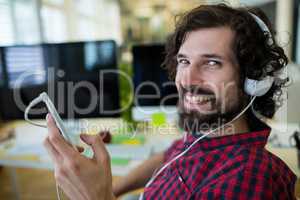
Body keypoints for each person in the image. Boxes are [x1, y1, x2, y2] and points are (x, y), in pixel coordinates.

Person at [44, 3, 296, 200]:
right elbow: (169, 155)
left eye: (211, 62)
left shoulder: (244, 182)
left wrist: (97, 196)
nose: (186, 79)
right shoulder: (206, 134)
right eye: (184, 61)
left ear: (254, 78)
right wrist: (112, 187)